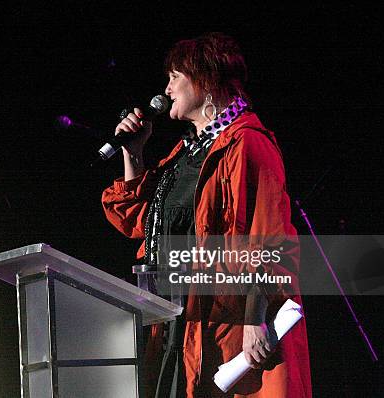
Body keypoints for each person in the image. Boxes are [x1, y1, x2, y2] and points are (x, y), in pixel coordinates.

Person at [102, 32, 312, 398]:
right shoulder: (187, 152)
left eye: (175, 76)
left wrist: (254, 317)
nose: (166, 89)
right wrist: (133, 154)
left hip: (227, 327)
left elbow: (269, 239)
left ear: (207, 80)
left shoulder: (248, 143)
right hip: (179, 325)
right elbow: (137, 221)